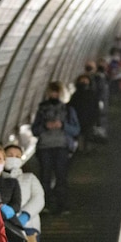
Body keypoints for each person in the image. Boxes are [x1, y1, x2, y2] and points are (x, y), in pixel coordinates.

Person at [32, 81, 81, 215]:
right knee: (45, 177)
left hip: (61, 146)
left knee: (61, 176)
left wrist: (63, 125)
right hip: (45, 147)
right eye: (52, 92)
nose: (54, 94)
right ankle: (45, 205)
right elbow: (34, 130)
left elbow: (76, 130)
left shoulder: (68, 109)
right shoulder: (41, 110)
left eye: (56, 92)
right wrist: (45, 127)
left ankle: (62, 204)